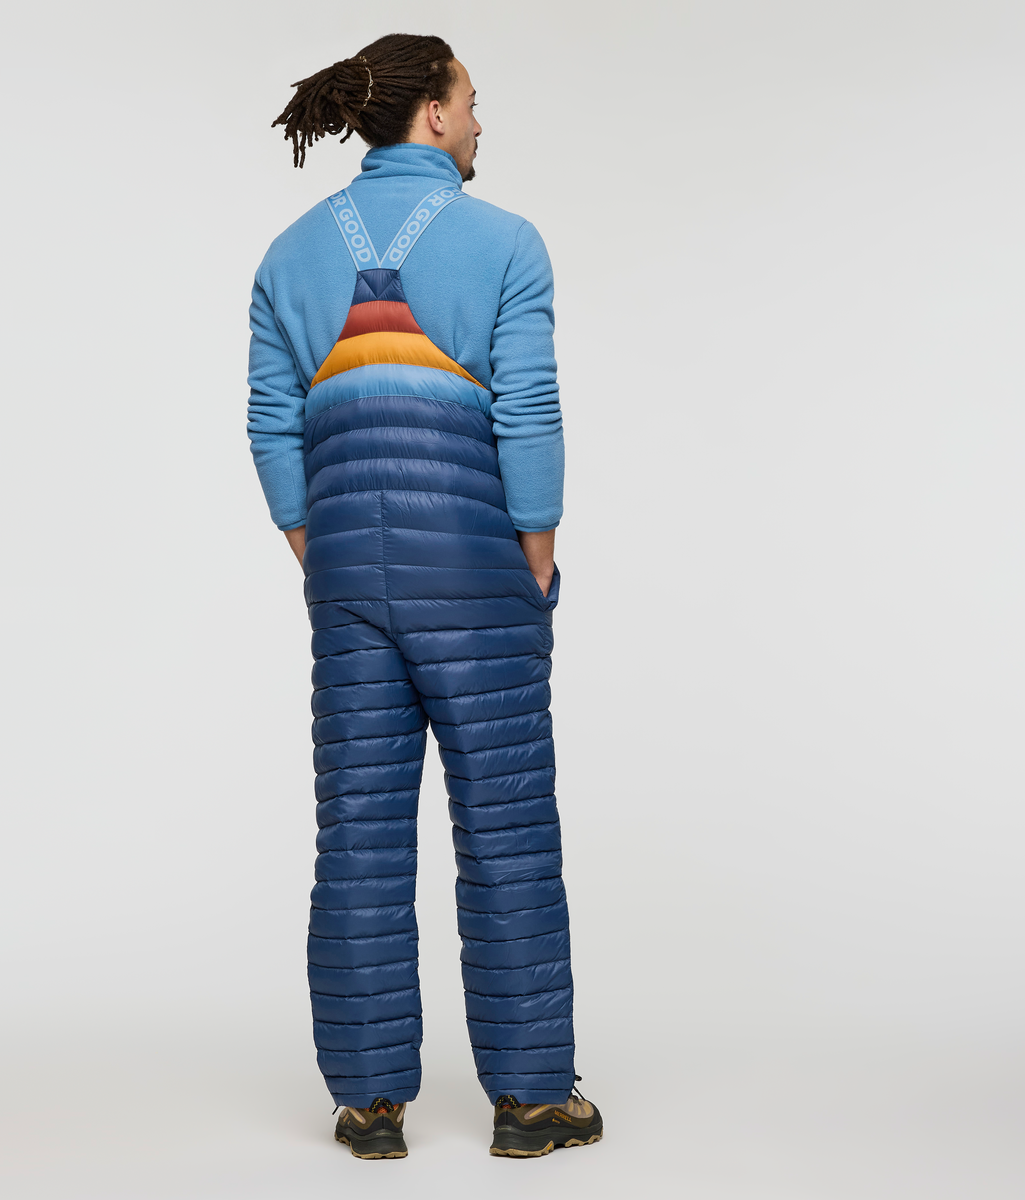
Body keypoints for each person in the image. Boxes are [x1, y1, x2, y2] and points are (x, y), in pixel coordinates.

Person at [247, 33, 602, 1160]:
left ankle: (368, 1107)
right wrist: (536, 559)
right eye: (473, 100)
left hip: (349, 575)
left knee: (356, 834)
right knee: (507, 829)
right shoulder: (505, 242)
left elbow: (271, 424)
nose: (483, 121)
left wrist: (323, 553)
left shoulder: (289, 254)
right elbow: (528, 409)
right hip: (479, 572)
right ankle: (533, 1102)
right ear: (435, 115)